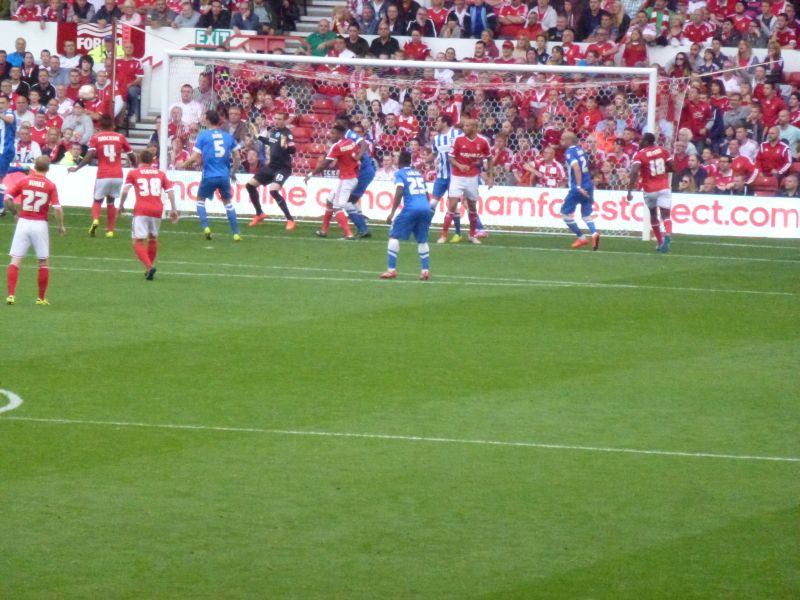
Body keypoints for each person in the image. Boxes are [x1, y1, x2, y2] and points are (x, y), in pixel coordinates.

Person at [4, 155, 65, 306]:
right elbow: (57, 208)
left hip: (23, 222)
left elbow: (7, 199)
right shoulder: (50, 185)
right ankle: (41, 298)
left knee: (16, 259)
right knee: (43, 261)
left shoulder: (24, 181)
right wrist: (60, 225)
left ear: (34, 166)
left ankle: (11, 295)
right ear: (48, 168)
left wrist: (15, 214)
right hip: (40, 224)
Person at [69, 114, 136, 238]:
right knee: (111, 202)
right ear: (113, 124)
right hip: (117, 175)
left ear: (100, 125)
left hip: (103, 174)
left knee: (97, 200)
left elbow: (89, 156)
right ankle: (110, 231)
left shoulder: (96, 137)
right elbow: (131, 154)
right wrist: (136, 166)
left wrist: (77, 168)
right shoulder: (120, 137)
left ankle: (95, 220)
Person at [180, 109, 242, 241]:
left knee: (200, 200)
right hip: (224, 175)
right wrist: (233, 172)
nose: (202, 118)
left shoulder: (203, 136)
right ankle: (236, 233)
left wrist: (183, 165)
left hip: (209, 175)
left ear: (208, 120)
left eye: (204, 117)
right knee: (228, 203)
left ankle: (206, 227)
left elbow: (194, 157)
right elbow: (238, 157)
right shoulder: (228, 136)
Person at [118, 150, 178, 280]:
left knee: (137, 240)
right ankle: (149, 268)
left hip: (141, 209)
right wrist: (173, 209)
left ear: (139, 160)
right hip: (157, 210)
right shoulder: (160, 174)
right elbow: (170, 191)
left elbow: (125, 191)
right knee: (153, 238)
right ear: (152, 161)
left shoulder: (133, 173)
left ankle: (149, 267)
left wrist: (121, 205)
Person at [380, 150, 434, 281]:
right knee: (422, 239)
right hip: (426, 208)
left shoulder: (400, 174)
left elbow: (399, 191)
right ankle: (425, 271)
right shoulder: (418, 174)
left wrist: (392, 213)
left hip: (411, 208)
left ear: (398, 161)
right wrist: (428, 210)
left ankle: (391, 270)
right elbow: (427, 195)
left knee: (393, 236)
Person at [303, 124, 359, 240]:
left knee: (337, 206)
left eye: (333, 133)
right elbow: (356, 157)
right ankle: (324, 230)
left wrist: (311, 174)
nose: (330, 135)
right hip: (352, 177)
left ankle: (349, 234)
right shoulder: (351, 143)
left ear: (340, 134)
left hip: (345, 179)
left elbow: (325, 163)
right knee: (329, 201)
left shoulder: (337, 146)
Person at [443, 118, 493, 245]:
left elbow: (489, 158)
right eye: (464, 126)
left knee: (472, 207)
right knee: (452, 205)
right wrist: (459, 166)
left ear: (474, 128)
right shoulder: (458, 139)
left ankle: (472, 235)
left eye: (467, 126)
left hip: (472, 177)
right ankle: (443, 235)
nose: (464, 128)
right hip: (457, 176)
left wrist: (490, 175)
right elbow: (450, 158)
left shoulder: (483, 142)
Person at [246, 111, 296, 230]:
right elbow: (271, 142)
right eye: (276, 119)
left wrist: (287, 147)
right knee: (249, 185)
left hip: (283, 168)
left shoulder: (287, 134)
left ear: (284, 121)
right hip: (271, 166)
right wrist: (259, 137)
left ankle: (290, 220)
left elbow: (293, 149)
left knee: (273, 190)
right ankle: (259, 213)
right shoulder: (274, 132)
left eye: (280, 119)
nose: (277, 121)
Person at [628, 132, 673, 253]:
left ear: (647, 141)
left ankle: (660, 242)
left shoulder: (640, 154)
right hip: (664, 187)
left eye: (642, 139)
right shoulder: (663, 151)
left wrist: (629, 190)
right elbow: (673, 167)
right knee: (666, 215)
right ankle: (668, 234)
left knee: (653, 214)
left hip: (649, 189)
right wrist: (662, 171)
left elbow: (634, 172)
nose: (640, 141)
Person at [561, 130, 599, 250]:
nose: (561, 141)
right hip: (588, 185)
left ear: (568, 140)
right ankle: (594, 233)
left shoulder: (569, 152)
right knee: (586, 215)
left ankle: (581, 237)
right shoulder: (581, 150)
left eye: (563, 139)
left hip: (578, 188)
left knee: (565, 214)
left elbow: (576, 169)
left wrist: (578, 187)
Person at [339, 118, 374, 238]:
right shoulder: (344, 138)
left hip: (364, 171)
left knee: (348, 201)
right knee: (352, 200)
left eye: (339, 123)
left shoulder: (350, 134)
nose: (337, 125)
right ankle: (364, 229)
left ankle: (362, 228)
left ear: (345, 124)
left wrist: (358, 156)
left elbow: (364, 144)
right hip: (362, 171)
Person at [431, 114, 463, 244]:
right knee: (432, 204)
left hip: (455, 176)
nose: (436, 123)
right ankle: (422, 229)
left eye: (438, 121)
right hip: (441, 176)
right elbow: (434, 154)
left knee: (453, 207)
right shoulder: (436, 139)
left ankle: (457, 233)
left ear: (445, 122)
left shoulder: (457, 133)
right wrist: (421, 162)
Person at [0, 94, 16, 204]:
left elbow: (10, 120)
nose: (0, 105)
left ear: (8, 103)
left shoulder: (9, 113)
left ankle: (0, 207)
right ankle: (22, 169)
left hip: (5, 150)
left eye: (2, 103)